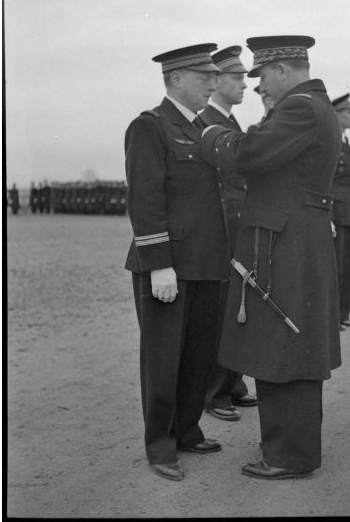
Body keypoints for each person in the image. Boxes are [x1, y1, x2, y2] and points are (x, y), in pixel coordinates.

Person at [199, 35, 341, 479]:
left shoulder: (300, 108)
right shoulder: (312, 106)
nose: (260, 87)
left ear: (282, 70)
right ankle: (286, 451)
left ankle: (289, 456)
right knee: (284, 345)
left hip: (287, 243)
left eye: (262, 77)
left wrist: (211, 135)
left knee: (285, 346)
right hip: (293, 237)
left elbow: (250, 153)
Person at [124, 43, 228, 481]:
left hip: (207, 260)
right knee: (164, 357)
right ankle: (161, 445)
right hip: (169, 263)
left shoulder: (206, 127)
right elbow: (145, 199)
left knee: (200, 354)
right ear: (176, 78)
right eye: (203, 76)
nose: (212, 83)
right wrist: (159, 262)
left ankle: (186, 429)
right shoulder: (150, 126)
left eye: (213, 75)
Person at [200, 46, 258, 422]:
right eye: (236, 78)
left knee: (236, 308)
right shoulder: (206, 121)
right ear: (216, 80)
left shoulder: (230, 122)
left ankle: (231, 382)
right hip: (218, 233)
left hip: (236, 229)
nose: (244, 85)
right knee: (220, 312)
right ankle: (215, 392)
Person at [330, 94, 350, 331]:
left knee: (346, 267)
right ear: (337, 114)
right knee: (336, 267)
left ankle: (342, 313)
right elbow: (328, 181)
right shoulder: (332, 140)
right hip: (336, 213)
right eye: (348, 112)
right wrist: (329, 216)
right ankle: (333, 317)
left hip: (349, 212)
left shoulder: (346, 142)